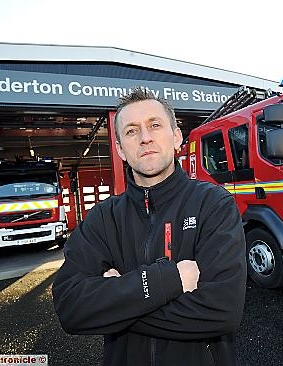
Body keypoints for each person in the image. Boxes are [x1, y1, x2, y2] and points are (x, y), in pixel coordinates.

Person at [52, 88, 247, 366]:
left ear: (177, 136)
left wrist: (115, 303)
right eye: (131, 131)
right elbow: (70, 308)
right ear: (120, 148)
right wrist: (168, 281)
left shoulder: (213, 204)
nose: (145, 138)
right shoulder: (102, 219)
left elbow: (222, 311)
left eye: (154, 125)